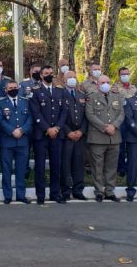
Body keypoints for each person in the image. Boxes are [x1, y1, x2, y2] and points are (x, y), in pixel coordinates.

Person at [29, 65, 68, 204]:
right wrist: (48, 129)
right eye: (46, 73)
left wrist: (56, 128)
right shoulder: (35, 91)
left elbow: (64, 112)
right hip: (41, 135)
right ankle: (40, 195)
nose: (49, 75)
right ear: (41, 75)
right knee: (40, 166)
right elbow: (36, 113)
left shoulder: (60, 91)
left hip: (57, 134)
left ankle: (55, 193)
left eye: (51, 73)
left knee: (56, 165)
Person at [85, 75, 124, 203]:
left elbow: (121, 114)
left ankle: (110, 191)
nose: (105, 84)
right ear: (97, 84)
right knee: (97, 166)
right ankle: (99, 191)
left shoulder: (117, 97)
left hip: (114, 137)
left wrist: (114, 126)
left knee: (111, 166)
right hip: (97, 137)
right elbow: (89, 115)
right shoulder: (91, 97)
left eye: (108, 82)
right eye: (103, 82)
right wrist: (104, 127)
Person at [0, 81, 33, 204]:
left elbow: (30, 118)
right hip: (7, 141)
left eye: (15, 87)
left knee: (21, 169)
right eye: (10, 88)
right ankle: (7, 195)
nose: (13, 89)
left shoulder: (25, 101)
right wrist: (12, 131)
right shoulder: (0, 102)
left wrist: (22, 130)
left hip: (22, 141)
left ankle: (20, 195)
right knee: (6, 169)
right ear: (5, 90)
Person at [61, 71, 88, 201]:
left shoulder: (81, 95)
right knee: (65, 164)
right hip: (67, 135)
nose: (72, 79)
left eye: (73, 77)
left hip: (80, 135)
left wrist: (81, 131)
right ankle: (66, 191)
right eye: (69, 77)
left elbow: (86, 116)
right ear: (63, 80)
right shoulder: (60, 94)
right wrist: (68, 132)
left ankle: (78, 190)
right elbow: (59, 117)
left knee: (79, 164)